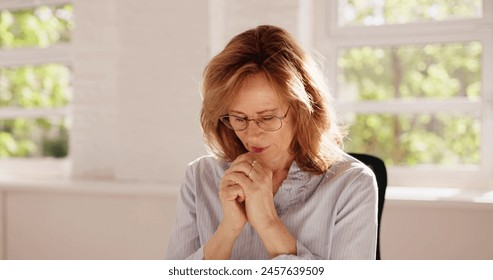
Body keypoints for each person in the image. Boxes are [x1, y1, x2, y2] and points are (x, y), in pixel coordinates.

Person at [166, 25, 377, 260]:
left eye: (267, 118)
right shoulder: (200, 177)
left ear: (302, 111)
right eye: (239, 118)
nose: (252, 135)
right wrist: (228, 231)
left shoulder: (352, 184)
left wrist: (267, 223)